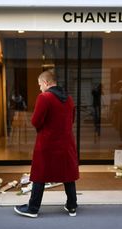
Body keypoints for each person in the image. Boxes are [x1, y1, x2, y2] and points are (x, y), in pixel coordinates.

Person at [14, 70, 79, 218]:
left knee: (39, 174)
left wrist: (44, 129)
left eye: (39, 85)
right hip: (66, 143)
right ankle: (72, 206)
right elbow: (72, 120)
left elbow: (35, 121)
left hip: (47, 143)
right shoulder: (68, 98)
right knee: (67, 173)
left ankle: (33, 208)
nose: (39, 88)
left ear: (46, 83)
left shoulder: (44, 97)